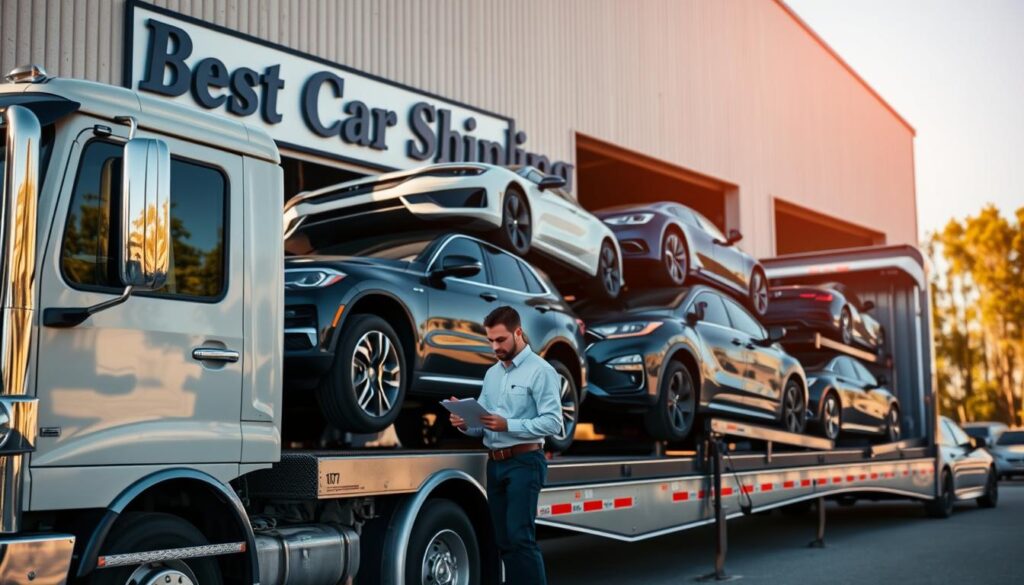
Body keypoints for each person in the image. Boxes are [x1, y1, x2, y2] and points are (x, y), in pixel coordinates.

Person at [449, 305, 562, 585]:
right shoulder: (492, 375)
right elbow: (483, 422)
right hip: (496, 464)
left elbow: (553, 423)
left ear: (518, 332)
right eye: (490, 341)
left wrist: (508, 424)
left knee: (520, 538)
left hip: (525, 463)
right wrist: (465, 423)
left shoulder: (541, 371)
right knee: (503, 541)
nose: (495, 346)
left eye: (500, 340)